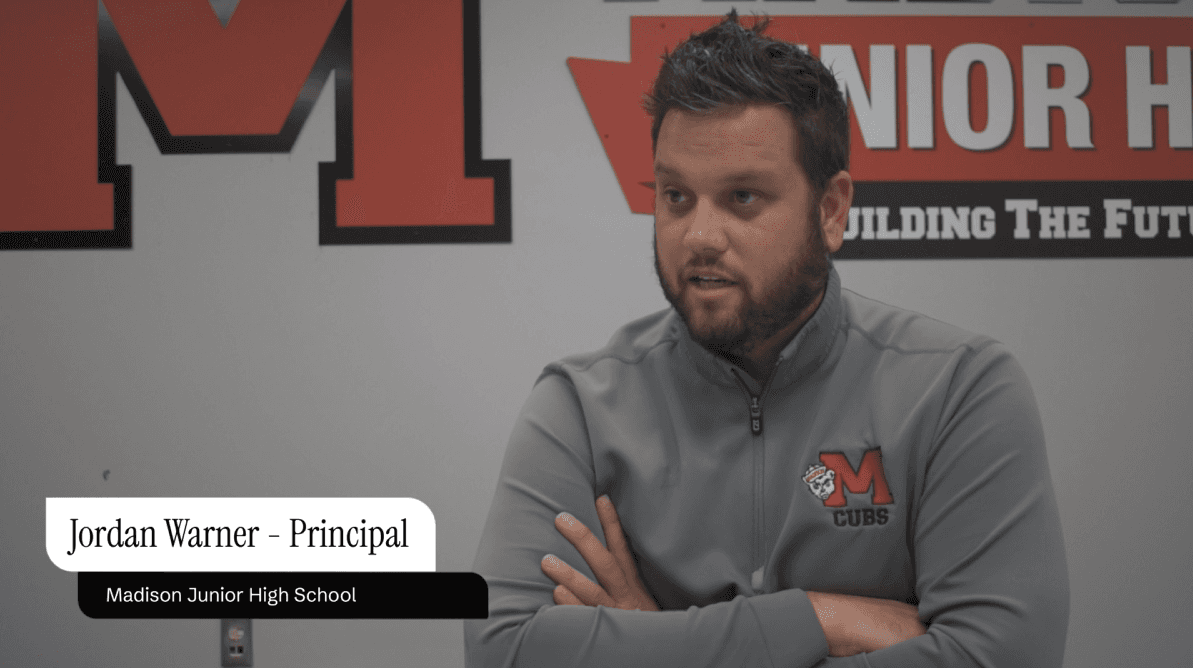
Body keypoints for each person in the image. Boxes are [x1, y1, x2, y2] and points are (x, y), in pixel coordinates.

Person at [465, 12, 1069, 667]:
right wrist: (818, 619)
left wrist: (653, 638)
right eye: (674, 196)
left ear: (830, 210)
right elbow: (504, 650)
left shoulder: (956, 387)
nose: (698, 236)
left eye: (742, 197)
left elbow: (1005, 658)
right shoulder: (578, 407)